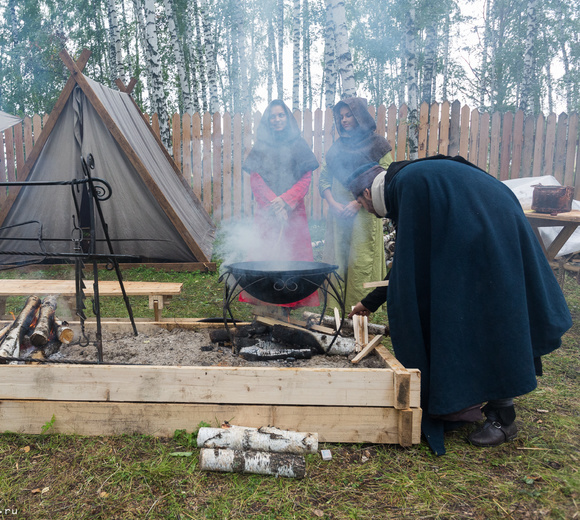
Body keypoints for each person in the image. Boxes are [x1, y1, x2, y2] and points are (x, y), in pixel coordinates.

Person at [346, 155, 572, 455]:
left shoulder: (408, 184)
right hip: (493, 223)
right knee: (485, 314)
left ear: (365, 193)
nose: (368, 211)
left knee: (485, 316)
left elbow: (407, 268)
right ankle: (468, 399)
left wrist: (395, 308)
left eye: (363, 205)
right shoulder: (409, 176)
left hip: (482, 234)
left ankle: (503, 418)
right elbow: (410, 260)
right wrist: (371, 302)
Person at [240, 99, 320, 308]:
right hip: (266, 213)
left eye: (280, 115)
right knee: (265, 254)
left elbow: (306, 178)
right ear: (268, 120)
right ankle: (264, 300)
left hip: (294, 213)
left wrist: (286, 201)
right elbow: (256, 178)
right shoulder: (261, 146)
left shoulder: (299, 144)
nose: (276, 120)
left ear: (287, 118)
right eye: (272, 116)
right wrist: (274, 204)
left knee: (294, 257)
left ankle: (291, 302)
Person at [318, 98, 393, 312]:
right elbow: (324, 179)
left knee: (361, 262)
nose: (344, 120)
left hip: (365, 214)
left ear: (359, 116)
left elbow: (384, 179)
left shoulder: (378, 145)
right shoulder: (335, 149)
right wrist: (332, 203)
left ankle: (358, 313)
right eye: (341, 116)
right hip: (339, 215)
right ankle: (334, 312)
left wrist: (357, 203)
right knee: (338, 262)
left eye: (348, 115)